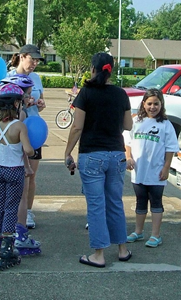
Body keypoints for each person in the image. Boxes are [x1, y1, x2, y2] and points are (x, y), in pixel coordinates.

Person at [64, 52, 133, 267]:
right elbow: (129, 125)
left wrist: (67, 152)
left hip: (92, 155)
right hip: (116, 155)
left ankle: (99, 255)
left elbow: (77, 127)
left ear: (93, 69)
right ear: (111, 70)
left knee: (95, 205)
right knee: (115, 202)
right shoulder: (121, 94)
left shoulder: (86, 93)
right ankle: (122, 250)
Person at [0, 83, 35, 270]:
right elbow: (28, 150)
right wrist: (32, 149)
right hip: (15, 171)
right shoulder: (19, 126)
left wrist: (0, 154)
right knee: (11, 208)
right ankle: (6, 248)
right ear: (16, 105)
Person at [124, 88, 179, 248]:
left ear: (161, 105)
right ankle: (138, 231)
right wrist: (128, 157)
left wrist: (166, 167)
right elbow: (128, 141)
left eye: (156, 104)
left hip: (156, 173)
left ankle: (155, 235)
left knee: (156, 203)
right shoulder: (136, 122)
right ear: (143, 104)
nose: (152, 107)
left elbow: (170, 148)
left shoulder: (165, 125)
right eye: (149, 103)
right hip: (139, 171)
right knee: (140, 202)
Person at [0, 75, 41, 256]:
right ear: (18, 98)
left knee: (3, 200)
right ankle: (20, 235)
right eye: (28, 95)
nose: (30, 99)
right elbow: (24, 148)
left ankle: (2, 233)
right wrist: (27, 164)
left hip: (1, 165)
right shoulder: (21, 116)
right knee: (21, 198)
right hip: (17, 164)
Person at [8, 44, 46, 229]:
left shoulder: (36, 78)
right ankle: (13, 210)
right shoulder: (9, 77)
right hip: (15, 130)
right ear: (22, 57)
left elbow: (40, 100)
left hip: (33, 130)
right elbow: (2, 106)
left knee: (31, 174)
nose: (35, 64)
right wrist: (22, 101)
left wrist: (38, 103)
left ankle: (28, 211)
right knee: (15, 173)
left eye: (37, 60)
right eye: (32, 59)